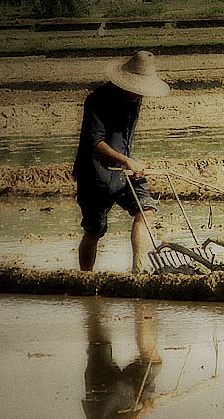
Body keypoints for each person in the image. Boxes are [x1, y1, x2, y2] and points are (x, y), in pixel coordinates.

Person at [73, 50, 170, 273]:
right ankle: (85, 279)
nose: (139, 93)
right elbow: (94, 142)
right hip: (95, 173)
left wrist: (131, 162)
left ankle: (138, 270)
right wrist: (127, 161)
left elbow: (123, 140)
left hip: (124, 169)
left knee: (146, 210)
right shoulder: (97, 100)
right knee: (94, 229)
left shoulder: (135, 99)